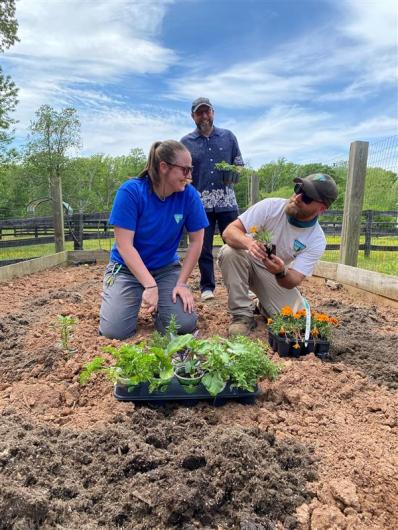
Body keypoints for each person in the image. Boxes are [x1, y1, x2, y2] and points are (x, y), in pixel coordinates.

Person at [99, 140, 209, 340]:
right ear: (164, 167)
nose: (190, 177)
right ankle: (120, 293)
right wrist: (150, 285)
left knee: (183, 325)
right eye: (185, 170)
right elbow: (125, 245)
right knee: (114, 332)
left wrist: (182, 283)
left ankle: (163, 309)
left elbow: (196, 242)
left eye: (191, 170)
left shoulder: (189, 196)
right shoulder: (131, 192)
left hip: (165, 268)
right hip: (126, 269)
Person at [218, 173, 338, 336]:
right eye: (298, 189)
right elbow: (229, 232)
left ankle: (261, 304)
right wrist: (250, 244)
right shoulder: (271, 207)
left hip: (274, 276)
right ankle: (242, 315)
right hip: (246, 262)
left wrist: (280, 272)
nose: (297, 197)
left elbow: (293, 279)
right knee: (229, 251)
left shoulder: (316, 239)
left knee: (295, 322)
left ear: (322, 208)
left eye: (307, 198)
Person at [181, 97, 244, 301]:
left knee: (235, 243)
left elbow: (238, 164)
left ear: (213, 113)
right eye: (199, 113)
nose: (204, 116)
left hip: (227, 201)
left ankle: (242, 284)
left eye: (207, 111)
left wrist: (234, 173)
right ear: (193, 117)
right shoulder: (185, 143)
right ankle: (207, 286)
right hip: (200, 204)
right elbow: (182, 173)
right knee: (203, 246)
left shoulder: (228, 137)